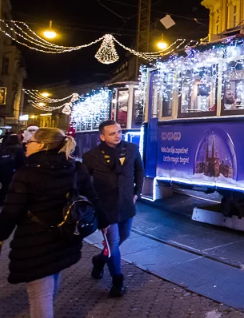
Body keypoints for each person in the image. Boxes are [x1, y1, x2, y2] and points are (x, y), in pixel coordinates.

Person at [0, 128, 107, 318]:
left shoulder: (26, 173)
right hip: (65, 236)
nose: (26, 144)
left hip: (35, 243)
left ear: (41, 145)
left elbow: (10, 212)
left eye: (30, 141)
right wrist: (103, 222)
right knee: (52, 278)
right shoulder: (75, 168)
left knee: (40, 294)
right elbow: (93, 197)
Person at [82, 120, 143, 297]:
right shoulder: (91, 156)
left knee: (124, 236)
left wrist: (137, 192)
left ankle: (100, 260)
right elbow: (85, 182)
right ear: (102, 136)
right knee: (113, 243)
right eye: (112, 133)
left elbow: (139, 170)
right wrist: (93, 203)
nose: (117, 135)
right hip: (105, 207)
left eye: (119, 132)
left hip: (126, 204)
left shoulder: (131, 149)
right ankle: (118, 281)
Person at [0, 135, 26, 204]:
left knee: (4, 186)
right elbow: (22, 162)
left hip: (3, 171)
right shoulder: (19, 149)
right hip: (14, 172)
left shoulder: (3, 148)